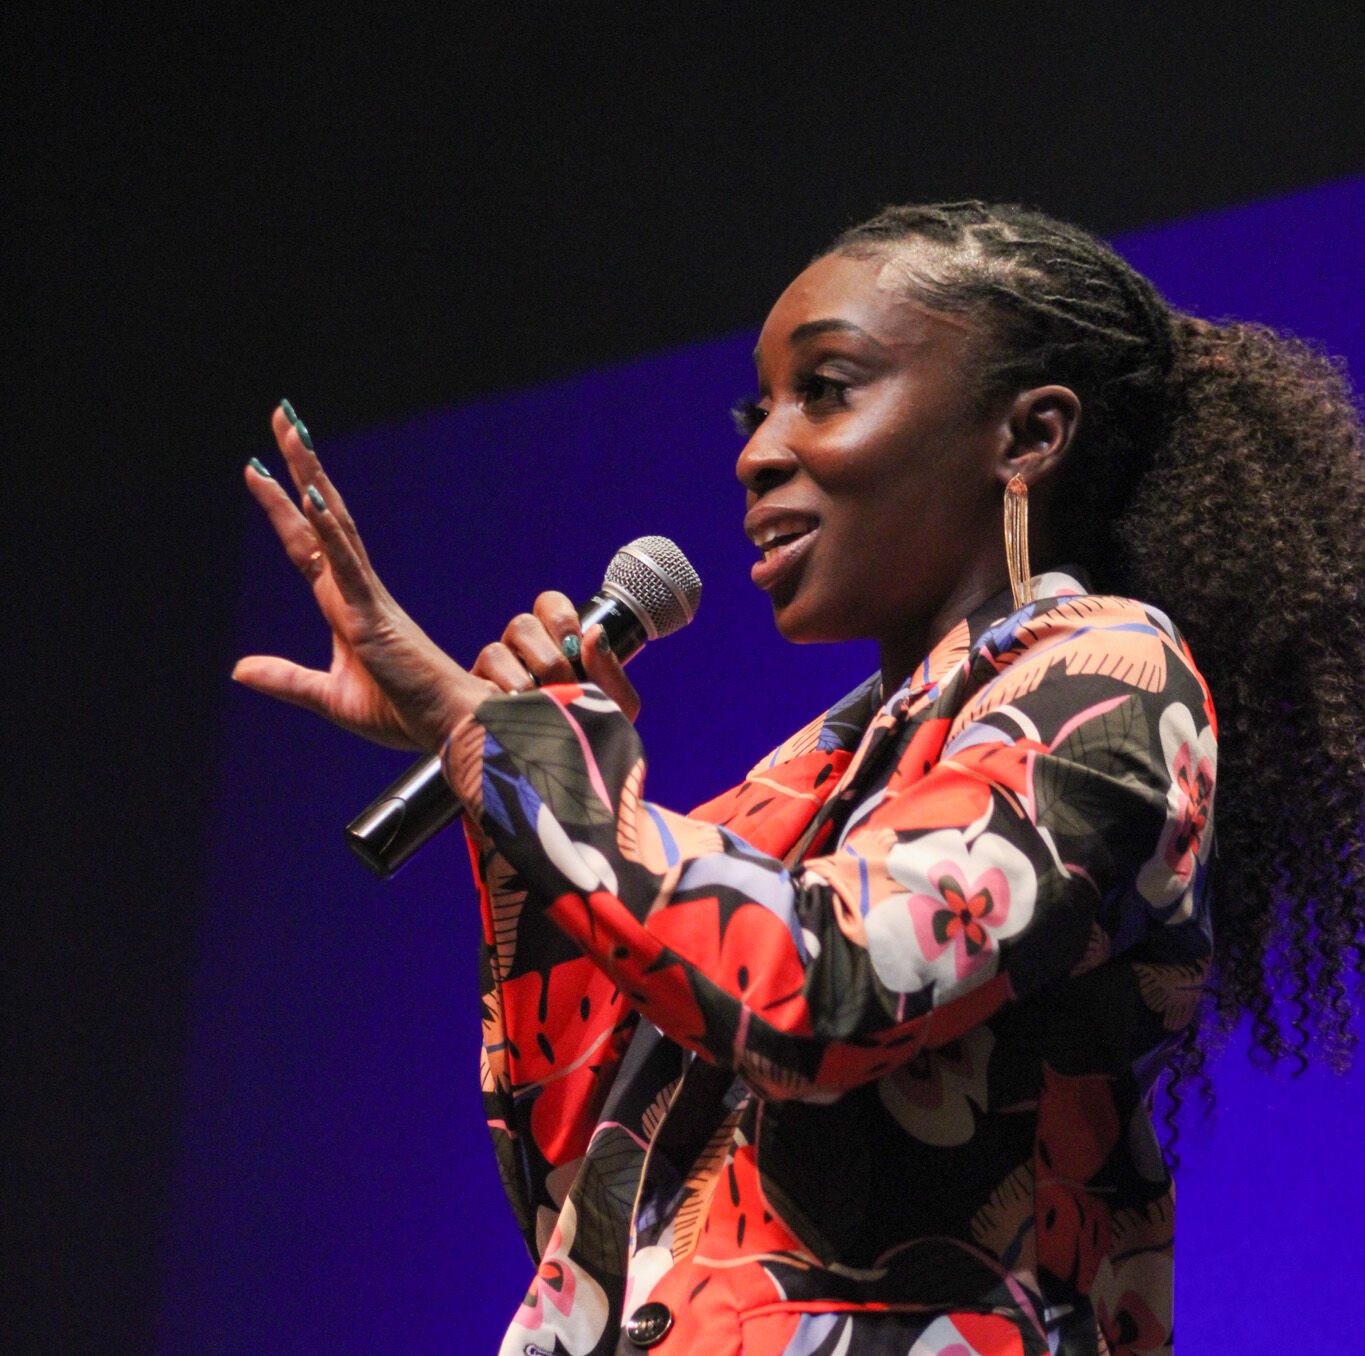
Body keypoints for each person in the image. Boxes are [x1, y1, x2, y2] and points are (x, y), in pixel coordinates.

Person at [235, 202, 1365, 1356]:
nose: (757, 449)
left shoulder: (1110, 681)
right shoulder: (796, 789)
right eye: (758, 406)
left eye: (825, 389)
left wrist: (536, 767)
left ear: (1027, 438)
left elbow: (813, 993)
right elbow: (593, 1201)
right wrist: (515, 801)